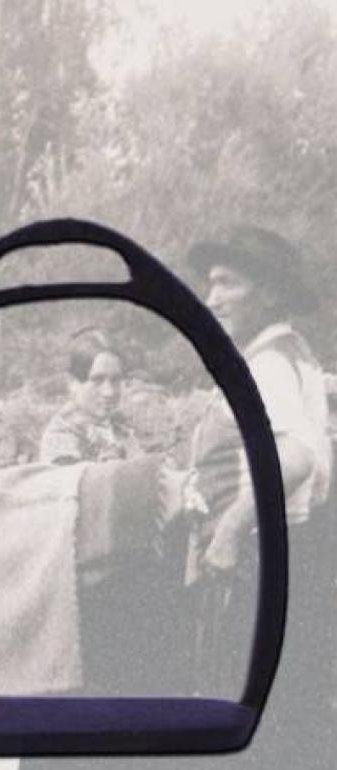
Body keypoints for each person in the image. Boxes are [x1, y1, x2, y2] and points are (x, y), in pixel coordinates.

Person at [186, 224, 332, 767]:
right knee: (290, 708)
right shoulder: (292, 353)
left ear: (268, 292)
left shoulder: (267, 364)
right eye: (210, 283)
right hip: (292, 550)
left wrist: (229, 531)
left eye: (228, 282)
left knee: (255, 715)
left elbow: (297, 457)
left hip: (261, 555)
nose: (213, 298)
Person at [39, 328, 140, 465]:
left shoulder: (122, 429)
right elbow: (73, 477)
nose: (109, 392)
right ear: (72, 383)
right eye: (97, 380)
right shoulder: (61, 436)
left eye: (115, 380)